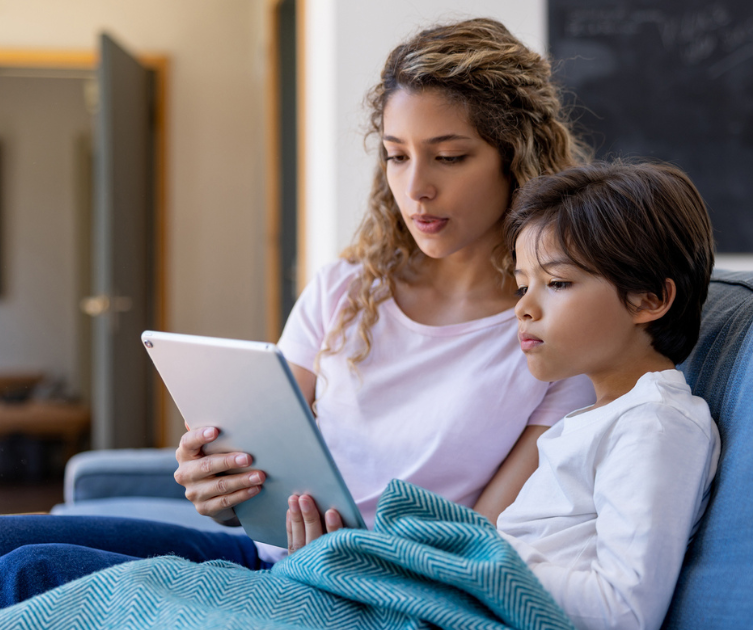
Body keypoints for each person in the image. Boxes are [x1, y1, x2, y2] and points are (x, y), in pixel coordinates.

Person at [0, 18, 596, 630]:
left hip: (357, 583)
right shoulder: (349, 289)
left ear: (518, 157)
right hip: (267, 550)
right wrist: (216, 483)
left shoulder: (550, 329)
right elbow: (264, 443)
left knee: (24, 574)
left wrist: (347, 547)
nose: (416, 188)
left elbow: (482, 543)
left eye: (449, 156)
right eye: (396, 154)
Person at [286, 159, 722, 629]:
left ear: (650, 299)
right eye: (521, 286)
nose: (525, 309)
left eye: (557, 283)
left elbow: (624, 611)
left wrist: (462, 564)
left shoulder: (655, 424)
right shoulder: (595, 418)